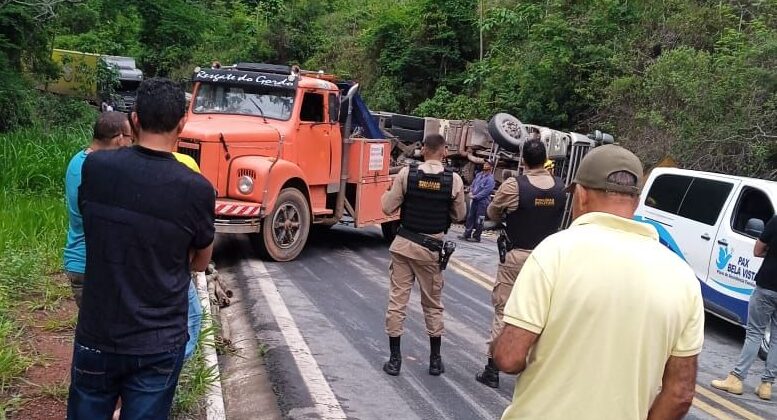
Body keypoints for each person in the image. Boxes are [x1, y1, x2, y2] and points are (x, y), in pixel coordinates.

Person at [494, 144, 704, 420]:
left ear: (581, 195)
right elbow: (680, 393)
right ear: (636, 201)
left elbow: (508, 358)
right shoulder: (682, 276)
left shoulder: (555, 252)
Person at [67, 78, 216, 420]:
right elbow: (200, 262)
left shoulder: (96, 168)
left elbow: (93, 226)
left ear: (134, 119)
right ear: (182, 123)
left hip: (97, 332)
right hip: (158, 342)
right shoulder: (197, 188)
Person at [475, 139, 565, 388]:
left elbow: (493, 212)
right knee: (541, 315)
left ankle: (492, 369)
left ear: (523, 160)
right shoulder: (560, 187)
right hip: (547, 260)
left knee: (503, 310)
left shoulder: (515, 185)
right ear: (545, 159)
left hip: (517, 256)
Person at [380, 133, 466, 376]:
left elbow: (387, 207)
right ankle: (435, 361)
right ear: (444, 151)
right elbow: (460, 215)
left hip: (404, 245)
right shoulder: (454, 180)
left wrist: (387, 192)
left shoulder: (407, 174)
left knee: (397, 303)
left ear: (424, 150)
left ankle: (394, 360)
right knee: (432, 305)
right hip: (430, 250)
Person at [63, 111, 133, 308]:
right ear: (119, 138)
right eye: (131, 138)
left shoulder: (77, 160)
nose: (131, 144)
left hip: (79, 260)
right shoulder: (99, 170)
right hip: (95, 265)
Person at [711, 215, 777, 400]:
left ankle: (736, 378)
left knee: (754, 333)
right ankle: (766, 385)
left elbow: (757, 250)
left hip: (768, 285)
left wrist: (771, 252)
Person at [459, 160, 495, 243]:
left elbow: (486, 191)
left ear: (491, 167)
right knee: (470, 217)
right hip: (475, 201)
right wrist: (471, 192)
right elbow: (473, 184)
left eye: (487, 164)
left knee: (479, 220)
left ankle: (477, 237)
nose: (485, 165)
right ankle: (467, 234)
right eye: (485, 163)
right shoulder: (479, 175)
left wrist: (475, 196)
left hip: (482, 202)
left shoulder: (490, 179)